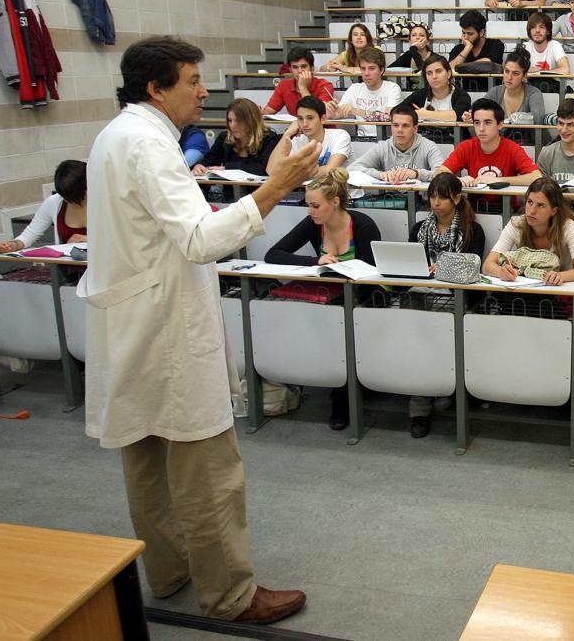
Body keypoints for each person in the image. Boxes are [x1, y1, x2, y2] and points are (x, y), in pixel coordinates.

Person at [83, 35, 315, 625]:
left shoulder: (117, 136)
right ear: (156, 88)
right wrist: (276, 184)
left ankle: (168, 571)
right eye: (191, 80)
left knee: (148, 465)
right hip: (166, 331)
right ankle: (231, 594)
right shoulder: (150, 147)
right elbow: (200, 239)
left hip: (133, 323)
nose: (204, 90)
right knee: (209, 472)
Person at [265, 168, 380, 431]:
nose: (310, 211)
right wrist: (315, 261)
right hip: (326, 300)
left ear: (335, 202)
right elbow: (275, 254)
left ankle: (342, 397)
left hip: (359, 301)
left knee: (339, 329)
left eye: (315, 205)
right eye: (308, 205)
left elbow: (373, 277)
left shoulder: (362, 225)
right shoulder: (312, 224)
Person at [406, 173, 486, 438]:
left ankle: (436, 395)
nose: (436, 202)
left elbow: (473, 266)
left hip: (455, 297)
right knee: (414, 336)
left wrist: (446, 268)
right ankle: (423, 402)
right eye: (432, 196)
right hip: (420, 293)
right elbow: (408, 265)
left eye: (442, 197)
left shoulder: (472, 229)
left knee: (430, 335)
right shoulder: (419, 229)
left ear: (456, 198)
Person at [483, 177, 574, 286]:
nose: (532, 211)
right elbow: (487, 264)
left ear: (554, 211)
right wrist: (501, 272)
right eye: (530, 202)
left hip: (557, 291)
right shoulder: (516, 224)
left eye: (540, 205)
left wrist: (560, 276)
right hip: (523, 291)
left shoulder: (567, 227)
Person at [434, 98, 543, 186]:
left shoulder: (512, 149)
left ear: (500, 124)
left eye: (487, 122)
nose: (481, 128)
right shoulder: (466, 147)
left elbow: (536, 177)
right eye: (477, 123)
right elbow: (439, 173)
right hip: (472, 209)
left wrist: (497, 180)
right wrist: (458, 180)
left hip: (505, 209)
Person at [0, 160, 87, 252]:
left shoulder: (101, 201)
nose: (71, 202)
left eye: (80, 197)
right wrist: (13, 245)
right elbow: (30, 234)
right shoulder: (54, 202)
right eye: (67, 198)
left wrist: (89, 240)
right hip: (69, 264)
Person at [348, 105, 445, 182]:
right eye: (395, 125)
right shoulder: (383, 147)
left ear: (415, 128)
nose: (399, 130)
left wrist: (416, 173)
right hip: (391, 202)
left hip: (422, 204)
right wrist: (380, 174)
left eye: (405, 126)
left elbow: (442, 174)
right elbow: (352, 168)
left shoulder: (428, 146)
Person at [194, 98, 281, 177]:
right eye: (230, 120)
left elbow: (263, 169)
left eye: (238, 121)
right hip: (230, 192)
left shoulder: (270, 138)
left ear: (251, 121)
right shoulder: (224, 137)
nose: (233, 126)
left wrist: (227, 167)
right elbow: (209, 160)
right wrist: (199, 166)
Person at [267, 96, 351, 178]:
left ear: (323, 119)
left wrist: (292, 173)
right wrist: (287, 134)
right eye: (300, 119)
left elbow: (330, 170)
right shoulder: (297, 141)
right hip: (308, 191)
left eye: (310, 118)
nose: (304, 124)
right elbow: (271, 170)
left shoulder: (340, 136)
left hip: (339, 191)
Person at [476, 47, 547, 126]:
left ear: (524, 76)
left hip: (531, 138)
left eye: (515, 73)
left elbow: (538, 119)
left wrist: (510, 119)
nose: (509, 77)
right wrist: (470, 116)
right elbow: (479, 112)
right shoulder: (494, 92)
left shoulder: (534, 93)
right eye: (506, 71)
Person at [331, 47, 402, 121]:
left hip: (386, 133)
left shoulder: (392, 88)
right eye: (363, 69)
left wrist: (355, 111)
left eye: (371, 68)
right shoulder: (354, 88)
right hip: (360, 133)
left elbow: (387, 117)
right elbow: (337, 115)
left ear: (381, 70)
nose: (366, 73)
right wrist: (331, 110)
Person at [263, 47, 334, 116]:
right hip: (297, 127)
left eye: (303, 66)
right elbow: (269, 111)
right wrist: (257, 110)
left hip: (323, 128)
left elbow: (314, 114)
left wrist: (303, 87)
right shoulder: (283, 85)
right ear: (290, 70)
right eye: (295, 67)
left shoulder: (325, 85)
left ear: (312, 69)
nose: (300, 71)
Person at [403, 55, 472, 124]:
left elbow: (457, 115)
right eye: (429, 73)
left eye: (438, 71)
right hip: (423, 134)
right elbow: (396, 111)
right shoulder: (420, 94)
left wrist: (425, 114)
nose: (434, 76)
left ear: (448, 74)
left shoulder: (461, 95)